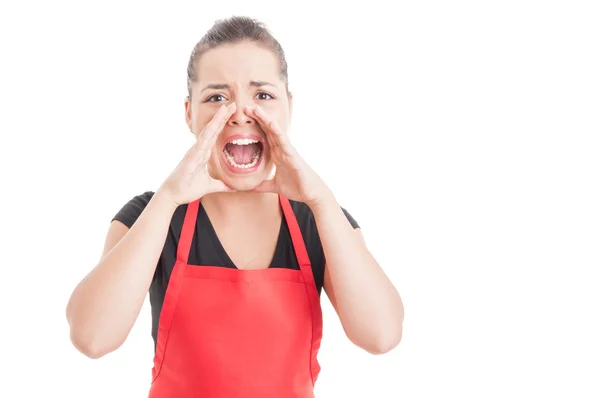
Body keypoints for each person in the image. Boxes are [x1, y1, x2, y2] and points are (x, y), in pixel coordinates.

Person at [66, 16, 404, 397]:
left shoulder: (319, 221)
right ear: (188, 113)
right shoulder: (151, 216)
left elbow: (382, 335)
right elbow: (92, 337)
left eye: (262, 96)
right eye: (216, 98)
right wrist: (168, 198)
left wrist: (323, 200)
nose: (241, 113)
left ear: (288, 108)